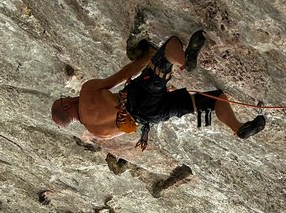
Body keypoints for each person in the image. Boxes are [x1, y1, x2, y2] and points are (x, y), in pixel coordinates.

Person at [50, 32, 266, 150]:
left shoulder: (98, 133)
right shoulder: (87, 93)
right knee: (169, 47)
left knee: (213, 99)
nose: (68, 96)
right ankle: (184, 62)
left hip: (150, 116)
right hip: (140, 96)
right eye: (64, 98)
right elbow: (124, 73)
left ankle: (238, 128)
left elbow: (128, 126)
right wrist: (147, 55)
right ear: (66, 105)